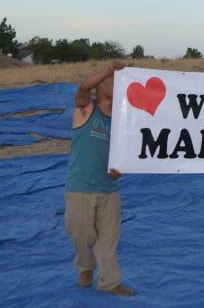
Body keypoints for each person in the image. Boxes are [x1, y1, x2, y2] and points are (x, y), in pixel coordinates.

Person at [64, 60, 135, 297]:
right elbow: (83, 88)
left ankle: (110, 282)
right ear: (100, 84)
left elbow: (125, 154)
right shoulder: (85, 108)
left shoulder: (122, 120)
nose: (115, 84)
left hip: (109, 189)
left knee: (109, 239)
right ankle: (85, 267)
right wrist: (109, 70)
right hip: (81, 187)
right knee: (81, 236)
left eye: (117, 81)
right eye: (110, 81)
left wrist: (120, 169)